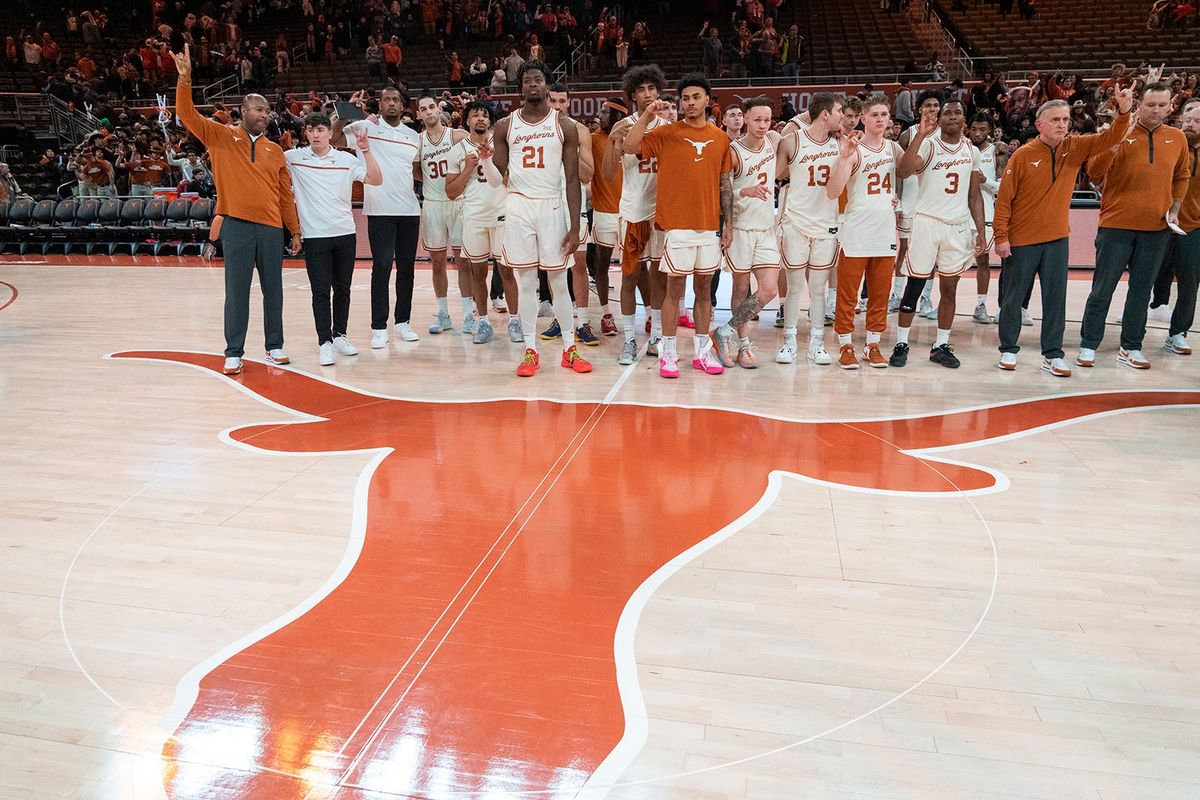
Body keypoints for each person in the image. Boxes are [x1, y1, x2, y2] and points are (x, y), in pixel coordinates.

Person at [170, 43, 301, 376]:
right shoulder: (220, 137)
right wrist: (184, 79)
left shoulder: (275, 150)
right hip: (238, 226)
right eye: (257, 109)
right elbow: (186, 115)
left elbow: (285, 194)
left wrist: (295, 229)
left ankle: (275, 346)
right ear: (242, 112)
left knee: (274, 290)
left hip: (272, 229)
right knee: (236, 292)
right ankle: (233, 351)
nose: (263, 114)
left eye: (267, 111)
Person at [992, 88, 1133, 375]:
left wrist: (1124, 112)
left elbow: (1111, 138)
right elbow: (1004, 199)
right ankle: (1008, 350)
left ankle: (1052, 354)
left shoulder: (1075, 148)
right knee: (1013, 299)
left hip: (1057, 239)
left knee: (1056, 299)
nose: (1062, 125)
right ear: (1039, 124)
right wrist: (1002, 237)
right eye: (1055, 119)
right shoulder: (1022, 155)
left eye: (1066, 120)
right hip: (1021, 240)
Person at [484, 60, 591, 377]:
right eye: (527, 80)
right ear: (520, 89)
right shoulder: (505, 126)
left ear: (547, 85)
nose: (533, 84)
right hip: (518, 208)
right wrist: (485, 161)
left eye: (538, 79)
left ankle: (569, 349)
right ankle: (530, 351)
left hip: (552, 208)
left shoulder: (565, 126)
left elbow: (573, 180)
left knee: (559, 282)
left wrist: (574, 227)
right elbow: (494, 178)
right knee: (527, 283)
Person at [623, 72, 733, 378]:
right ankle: (668, 352)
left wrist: (729, 223)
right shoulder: (668, 133)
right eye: (685, 98)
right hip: (676, 225)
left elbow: (724, 184)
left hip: (709, 225)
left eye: (696, 97)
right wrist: (646, 114)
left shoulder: (721, 138)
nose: (690, 103)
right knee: (674, 290)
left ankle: (701, 351)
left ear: (708, 101)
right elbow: (631, 147)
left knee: (703, 291)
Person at [1078, 82, 1191, 370]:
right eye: (1150, 105)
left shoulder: (1177, 138)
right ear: (1139, 104)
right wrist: (1113, 143)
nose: (1156, 110)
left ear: (1170, 107)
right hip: (1116, 227)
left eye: (1162, 105)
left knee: (1141, 292)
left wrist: (1176, 207)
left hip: (1156, 230)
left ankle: (1131, 347)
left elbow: (1182, 175)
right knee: (1102, 290)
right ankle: (1089, 344)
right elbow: (1093, 173)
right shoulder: (1117, 132)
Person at [890, 99, 987, 370]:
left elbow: (974, 195)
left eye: (957, 112)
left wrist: (980, 231)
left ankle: (941, 345)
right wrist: (920, 134)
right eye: (947, 112)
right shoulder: (930, 144)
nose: (952, 116)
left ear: (964, 120)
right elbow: (904, 170)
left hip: (956, 225)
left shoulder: (971, 151)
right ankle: (902, 342)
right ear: (940, 119)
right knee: (915, 285)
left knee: (949, 288)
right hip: (927, 223)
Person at [286, 114, 382, 366]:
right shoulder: (293, 158)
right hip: (315, 236)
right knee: (320, 292)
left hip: (344, 234)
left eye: (320, 130)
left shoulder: (346, 159)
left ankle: (340, 335)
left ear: (330, 133)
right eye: (310, 130)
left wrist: (366, 150)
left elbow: (375, 179)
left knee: (343, 289)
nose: (315, 134)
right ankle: (325, 342)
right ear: (305, 133)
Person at [338, 86, 423, 349]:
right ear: (381, 104)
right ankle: (378, 327)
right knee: (382, 266)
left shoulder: (413, 136)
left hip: (409, 210)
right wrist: (346, 111)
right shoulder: (367, 127)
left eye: (396, 100)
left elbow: (418, 171)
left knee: (407, 269)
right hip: (379, 211)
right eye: (386, 99)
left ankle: (403, 322)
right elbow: (336, 141)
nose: (391, 104)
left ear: (403, 105)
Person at [824, 95, 901, 369]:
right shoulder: (853, 149)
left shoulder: (894, 149)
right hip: (856, 230)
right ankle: (845, 344)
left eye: (884, 114)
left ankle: (872, 344)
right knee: (848, 295)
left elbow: (911, 176)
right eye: (875, 115)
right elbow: (833, 191)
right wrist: (844, 158)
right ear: (863, 118)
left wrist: (898, 200)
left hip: (884, 231)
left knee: (880, 294)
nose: (881, 119)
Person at [772, 92, 844, 365]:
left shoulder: (841, 145)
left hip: (827, 224)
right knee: (793, 287)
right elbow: (774, 176)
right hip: (796, 222)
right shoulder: (791, 141)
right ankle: (790, 341)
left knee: (818, 288)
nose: (842, 117)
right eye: (839, 112)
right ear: (825, 114)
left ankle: (816, 343)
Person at [604, 64, 670, 365]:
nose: (647, 94)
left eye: (651, 89)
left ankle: (656, 333)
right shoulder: (625, 126)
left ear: (659, 91)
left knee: (659, 278)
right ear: (632, 95)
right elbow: (607, 174)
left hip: (662, 213)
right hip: (633, 212)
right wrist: (613, 141)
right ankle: (629, 340)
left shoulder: (670, 126)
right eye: (640, 90)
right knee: (630, 277)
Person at [710, 96, 780, 369]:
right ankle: (743, 344)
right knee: (740, 287)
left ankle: (723, 332)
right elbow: (721, 192)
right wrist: (744, 191)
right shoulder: (734, 151)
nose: (763, 125)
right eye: (758, 119)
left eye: (767, 120)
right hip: (740, 227)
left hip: (764, 228)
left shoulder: (773, 142)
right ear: (746, 119)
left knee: (768, 289)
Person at [445, 101, 514, 345]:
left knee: (506, 271)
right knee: (478, 272)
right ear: (467, 122)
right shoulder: (456, 151)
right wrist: (467, 169)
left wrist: (492, 163)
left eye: (485, 115)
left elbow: (511, 180)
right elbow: (451, 192)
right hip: (473, 218)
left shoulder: (502, 146)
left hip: (502, 214)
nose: (481, 119)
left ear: (490, 121)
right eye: (475, 115)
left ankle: (515, 322)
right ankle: (483, 321)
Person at [543, 82, 599, 345]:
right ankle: (560, 317)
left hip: (573, 204)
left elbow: (588, 174)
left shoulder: (580, 130)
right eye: (552, 101)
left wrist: (571, 149)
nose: (557, 106)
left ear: (569, 102)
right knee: (553, 265)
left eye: (561, 101)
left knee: (578, 264)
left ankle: (584, 322)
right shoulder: (538, 130)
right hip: (546, 203)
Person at [416, 93, 469, 335]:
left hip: (458, 203)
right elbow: (417, 172)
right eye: (423, 109)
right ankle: (444, 314)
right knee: (437, 263)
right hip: (433, 204)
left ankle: (469, 314)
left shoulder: (458, 136)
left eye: (431, 107)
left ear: (439, 110)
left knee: (463, 262)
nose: (428, 112)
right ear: (418, 114)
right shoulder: (418, 141)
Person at [1161, 99, 1200, 355]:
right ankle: (1132, 333)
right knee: (1145, 279)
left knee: (1189, 283)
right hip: (1159, 224)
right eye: (1187, 120)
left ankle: (1177, 333)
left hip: (1192, 226)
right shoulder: (1169, 145)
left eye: (1197, 122)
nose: (1191, 125)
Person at [587, 98, 627, 339]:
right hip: (603, 211)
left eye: (605, 112)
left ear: (618, 117)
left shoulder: (632, 138)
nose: (599, 115)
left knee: (635, 269)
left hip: (630, 212)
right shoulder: (593, 140)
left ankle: (648, 316)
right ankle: (606, 314)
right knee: (601, 265)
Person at [967, 113, 1002, 323]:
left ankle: (981, 305)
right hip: (960, 213)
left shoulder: (998, 152)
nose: (977, 133)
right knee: (948, 263)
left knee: (983, 260)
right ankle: (938, 302)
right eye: (974, 129)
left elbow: (1006, 186)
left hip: (986, 213)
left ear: (990, 130)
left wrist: (986, 180)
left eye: (982, 129)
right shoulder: (963, 149)